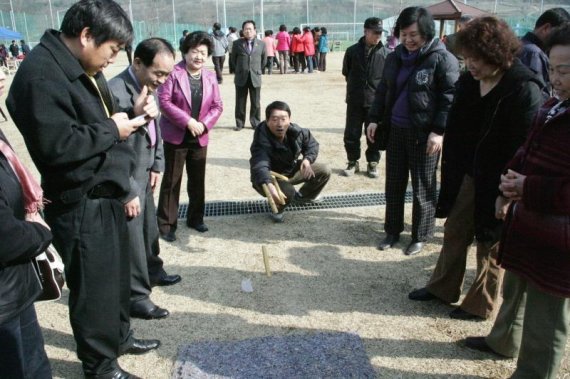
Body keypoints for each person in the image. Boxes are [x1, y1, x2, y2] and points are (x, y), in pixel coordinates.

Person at [6, 1, 161, 377]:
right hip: (81, 201)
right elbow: (57, 146)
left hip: (106, 192)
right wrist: (113, 130)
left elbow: (98, 119)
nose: (113, 60)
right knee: (93, 290)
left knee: (114, 280)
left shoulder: (78, 64)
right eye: (111, 51)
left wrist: (132, 115)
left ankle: (119, 336)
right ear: (87, 35)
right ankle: (100, 365)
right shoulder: (42, 74)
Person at [408, 17, 543, 321]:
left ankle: (480, 303)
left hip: (501, 178)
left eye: (477, 59)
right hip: (467, 172)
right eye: (467, 58)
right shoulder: (469, 81)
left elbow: (526, 147)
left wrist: (507, 192)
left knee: (490, 241)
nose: (470, 65)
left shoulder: (523, 88)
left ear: (498, 54)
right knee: (455, 229)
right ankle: (442, 287)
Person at [463, 23, 570, 379]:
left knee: (546, 317)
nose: (554, 77)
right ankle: (503, 341)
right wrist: (508, 185)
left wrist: (528, 187)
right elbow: (526, 150)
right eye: (553, 68)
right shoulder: (554, 105)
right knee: (515, 290)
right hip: (529, 223)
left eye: (564, 70)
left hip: (559, 239)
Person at [367, 6, 459, 256]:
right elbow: (383, 91)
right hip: (396, 129)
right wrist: (374, 119)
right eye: (404, 34)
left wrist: (438, 131)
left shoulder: (442, 59)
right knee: (394, 183)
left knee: (423, 186)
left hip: (424, 134)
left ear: (427, 33)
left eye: (413, 35)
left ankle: (421, 234)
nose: (408, 40)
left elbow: (449, 99)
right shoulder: (394, 56)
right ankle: (392, 231)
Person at [108, 38, 182, 321]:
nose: (163, 81)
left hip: (146, 169)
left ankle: (154, 270)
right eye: (158, 73)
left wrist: (157, 164)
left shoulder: (148, 87)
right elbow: (113, 145)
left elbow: (156, 130)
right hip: (128, 176)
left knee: (150, 229)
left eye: (167, 74)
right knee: (133, 238)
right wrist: (126, 190)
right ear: (137, 63)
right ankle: (137, 296)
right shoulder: (115, 91)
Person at [0, 69, 53, 379]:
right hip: (4, 297)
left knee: (34, 366)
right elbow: (5, 236)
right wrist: (39, 234)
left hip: (15, 286)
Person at [157, 31, 223, 242]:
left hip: (199, 136)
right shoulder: (173, 73)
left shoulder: (210, 76)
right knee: (171, 181)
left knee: (197, 180)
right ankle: (167, 224)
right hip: (176, 136)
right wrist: (188, 121)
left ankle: (196, 218)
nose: (199, 57)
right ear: (185, 52)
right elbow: (165, 102)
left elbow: (217, 106)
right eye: (194, 51)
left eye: (203, 53)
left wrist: (203, 124)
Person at [250, 101, 331, 223]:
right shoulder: (261, 139)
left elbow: (312, 144)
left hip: (289, 170)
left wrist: (307, 160)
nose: (280, 124)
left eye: (283, 119)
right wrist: (269, 184)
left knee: (324, 170)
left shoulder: (297, 132)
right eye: (275, 119)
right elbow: (260, 164)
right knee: (287, 192)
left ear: (289, 119)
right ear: (267, 121)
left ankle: (305, 197)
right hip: (268, 177)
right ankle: (278, 208)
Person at [342, 17, 390, 179]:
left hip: (375, 103)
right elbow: (347, 72)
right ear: (365, 31)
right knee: (352, 133)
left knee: (374, 134)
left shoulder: (386, 54)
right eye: (375, 33)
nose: (378, 36)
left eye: (380, 33)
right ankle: (352, 161)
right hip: (355, 100)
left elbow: (387, 80)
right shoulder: (352, 51)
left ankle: (372, 163)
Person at [518, 7, 570, 97]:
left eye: (562, 72)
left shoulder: (520, 44)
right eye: (551, 70)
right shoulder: (534, 54)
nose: (554, 80)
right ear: (546, 28)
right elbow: (537, 95)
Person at [230, 20, 265, 130]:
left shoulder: (261, 44)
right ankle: (240, 123)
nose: (248, 31)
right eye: (246, 29)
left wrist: (258, 71)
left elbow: (264, 60)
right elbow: (233, 60)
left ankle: (255, 122)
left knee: (256, 102)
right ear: (243, 31)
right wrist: (240, 70)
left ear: (255, 30)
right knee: (240, 101)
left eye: (250, 29)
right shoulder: (237, 44)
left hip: (255, 76)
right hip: (241, 76)